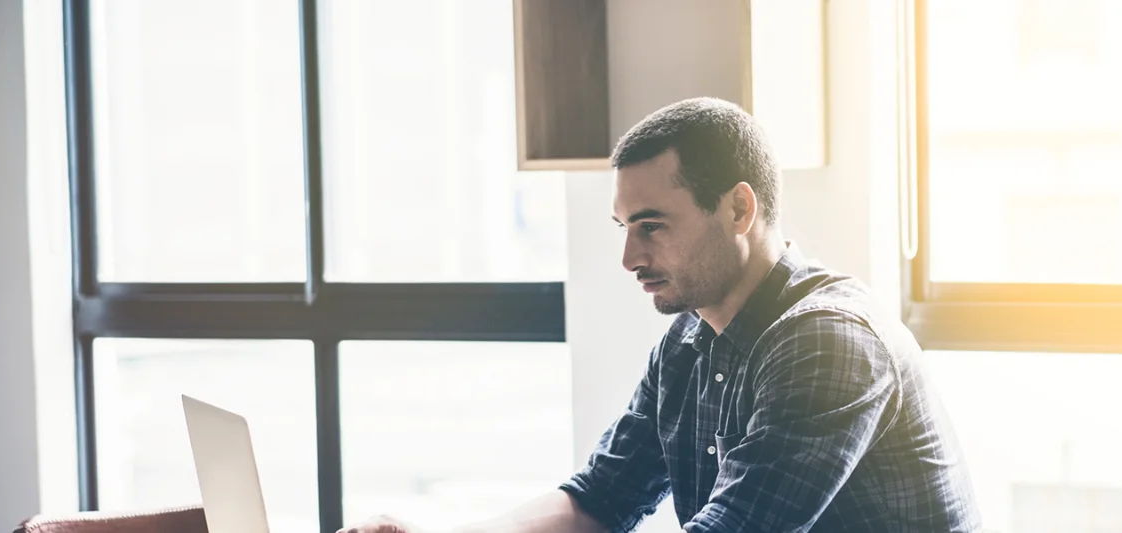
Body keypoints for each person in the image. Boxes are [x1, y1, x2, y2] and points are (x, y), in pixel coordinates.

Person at [341, 97, 981, 532]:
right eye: (624, 226)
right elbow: (598, 500)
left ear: (738, 210)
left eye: (651, 226)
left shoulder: (830, 343)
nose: (628, 257)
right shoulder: (689, 340)